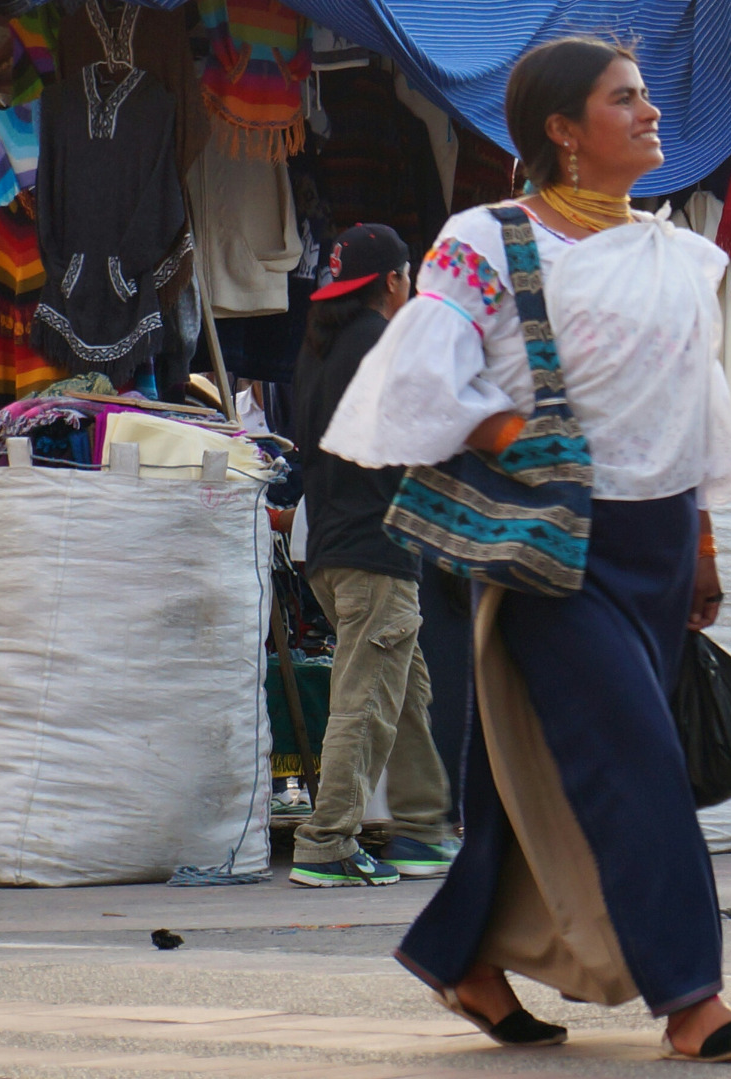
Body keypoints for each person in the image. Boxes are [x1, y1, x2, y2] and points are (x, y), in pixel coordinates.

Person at [318, 38, 731, 1063]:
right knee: (638, 763)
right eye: (627, 100)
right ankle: (693, 999)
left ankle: (463, 953)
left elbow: (698, 398)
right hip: (550, 543)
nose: (652, 114)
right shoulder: (488, 238)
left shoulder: (675, 252)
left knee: (557, 768)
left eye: (647, 97)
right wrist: (515, 436)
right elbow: (425, 375)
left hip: (655, 544)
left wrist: (702, 535)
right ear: (563, 130)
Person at [286, 223, 456, 888]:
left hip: (330, 547)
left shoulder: (319, 349)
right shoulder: (384, 344)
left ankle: (420, 828)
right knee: (366, 699)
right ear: (393, 280)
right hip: (377, 549)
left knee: (406, 690)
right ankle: (327, 840)